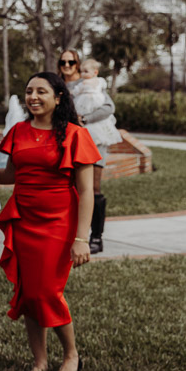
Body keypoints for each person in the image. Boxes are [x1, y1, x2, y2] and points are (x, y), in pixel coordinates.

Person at [0, 72, 98, 371]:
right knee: (28, 292)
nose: (33, 97)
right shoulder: (19, 131)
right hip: (24, 217)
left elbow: (87, 190)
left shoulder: (75, 135)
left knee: (47, 291)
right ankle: (39, 361)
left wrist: (82, 237)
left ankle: (71, 354)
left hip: (58, 222)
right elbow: (10, 176)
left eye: (41, 91)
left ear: (59, 97)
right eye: (29, 91)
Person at [70, 57, 121, 254]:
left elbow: (108, 108)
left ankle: (96, 236)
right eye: (63, 63)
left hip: (96, 138)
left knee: (94, 186)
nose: (67, 66)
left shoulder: (96, 85)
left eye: (71, 62)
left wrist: (85, 119)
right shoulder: (69, 87)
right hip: (75, 138)